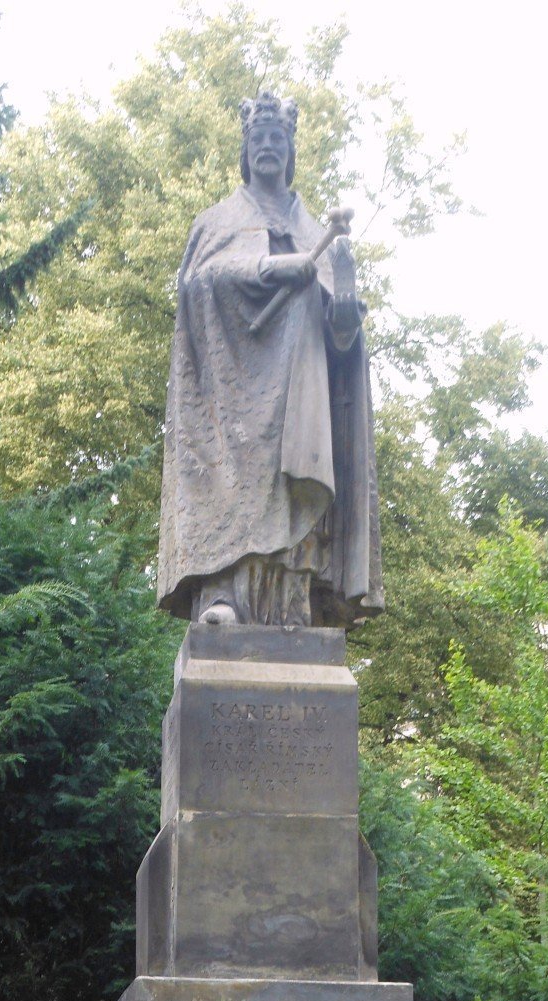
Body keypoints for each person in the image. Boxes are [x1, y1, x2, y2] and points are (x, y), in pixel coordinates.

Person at [157, 92, 383, 628]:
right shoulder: (217, 223)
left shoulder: (314, 233)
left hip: (299, 403)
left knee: (294, 491)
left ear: (290, 150)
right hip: (230, 406)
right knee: (232, 488)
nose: (267, 148)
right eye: (257, 139)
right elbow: (196, 288)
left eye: (277, 139)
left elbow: (340, 349)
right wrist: (268, 269)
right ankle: (224, 595)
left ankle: (292, 605)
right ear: (245, 149)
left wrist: (344, 314)